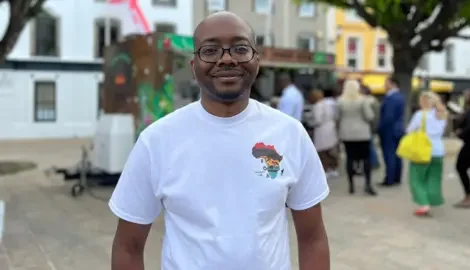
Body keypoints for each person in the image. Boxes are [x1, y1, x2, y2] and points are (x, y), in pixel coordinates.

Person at [109, 11, 330, 270]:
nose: (227, 59)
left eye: (240, 48)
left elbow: (313, 238)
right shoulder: (156, 141)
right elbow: (128, 247)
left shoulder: (290, 135)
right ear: (193, 66)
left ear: (256, 60)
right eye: (211, 50)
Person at [406, 92, 447, 216]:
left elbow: (409, 130)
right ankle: (432, 200)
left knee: (416, 179)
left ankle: (424, 204)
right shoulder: (442, 115)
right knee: (434, 178)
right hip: (438, 150)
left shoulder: (420, 115)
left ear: (423, 102)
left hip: (422, 151)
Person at [337, 80, 376, 196]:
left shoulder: (340, 101)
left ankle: (351, 186)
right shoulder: (362, 100)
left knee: (350, 158)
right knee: (366, 159)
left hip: (347, 134)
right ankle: (368, 184)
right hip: (362, 133)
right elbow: (369, 116)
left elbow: (337, 117)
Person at [377, 76, 405, 187]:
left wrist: (380, 128)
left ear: (393, 84)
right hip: (398, 129)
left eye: (386, 83)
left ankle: (390, 178)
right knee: (397, 155)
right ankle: (397, 177)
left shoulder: (391, 98)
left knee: (389, 155)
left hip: (389, 131)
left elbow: (388, 117)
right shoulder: (400, 96)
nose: (384, 86)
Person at [454, 90, 470, 208]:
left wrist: (460, 133)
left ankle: (468, 196)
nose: (466, 96)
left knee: (461, 167)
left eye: (468, 95)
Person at [310, 90, 339, 178]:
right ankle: (334, 168)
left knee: (322, 151)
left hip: (321, 129)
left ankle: (326, 169)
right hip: (331, 128)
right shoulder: (330, 104)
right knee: (331, 150)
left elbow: (318, 119)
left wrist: (311, 123)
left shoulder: (318, 105)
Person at [360, 85, 380, 169]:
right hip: (371, 127)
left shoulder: (367, 101)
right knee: (371, 146)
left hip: (368, 128)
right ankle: (374, 162)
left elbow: (370, 116)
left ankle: (374, 163)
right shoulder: (373, 100)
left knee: (370, 146)